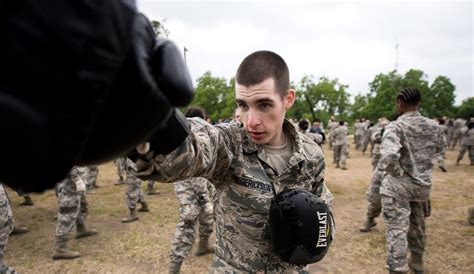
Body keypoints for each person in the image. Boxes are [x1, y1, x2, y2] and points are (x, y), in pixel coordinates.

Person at [132, 51, 333, 272]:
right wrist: (151, 132)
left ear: (288, 99)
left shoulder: (311, 155)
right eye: (243, 105)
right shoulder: (231, 143)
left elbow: (323, 210)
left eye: (264, 105)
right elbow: (194, 147)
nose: (251, 121)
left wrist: (315, 230)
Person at [378, 87, 444, 274]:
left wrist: (398, 173)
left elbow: (388, 156)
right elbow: (439, 148)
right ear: (418, 103)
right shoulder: (433, 126)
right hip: (422, 186)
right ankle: (417, 261)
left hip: (399, 187)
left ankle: (398, 268)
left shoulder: (396, 126)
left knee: (397, 228)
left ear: (400, 103)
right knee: (418, 224)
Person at [168, 107, 215, 274]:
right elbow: (196, 171)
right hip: (191, 189)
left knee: (206, 217)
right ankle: (174, 268)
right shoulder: (193, 136)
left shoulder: (183, 133)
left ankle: (203, 246)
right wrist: (204, 197)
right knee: (188, 221)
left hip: (191, 186)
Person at [53, 167, 98, 260]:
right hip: (69, 181)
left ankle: (81, 228)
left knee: (81, 204)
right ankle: (60, 248)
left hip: (75, 179)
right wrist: (76, 179)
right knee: (68, 212)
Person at [360, 118, 388, 232]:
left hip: (402, 171)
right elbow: (374, 138)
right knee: (375, 195)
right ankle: (370, 219)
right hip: (383, 166)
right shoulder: (382, 132)